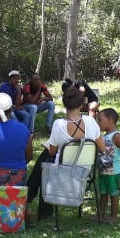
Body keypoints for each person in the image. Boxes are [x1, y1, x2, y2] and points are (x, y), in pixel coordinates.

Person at [26, 87, 102, 220]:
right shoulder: (91, 122)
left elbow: (52, 151)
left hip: (64, 171)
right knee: (45, 159)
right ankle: (31, 201)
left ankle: (31, 201)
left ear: (64, 103)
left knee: (45, 159)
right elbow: (101, 148)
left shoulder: (59, 124)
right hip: (85, 170)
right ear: (82, 104)